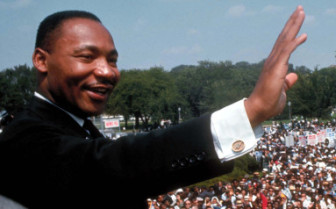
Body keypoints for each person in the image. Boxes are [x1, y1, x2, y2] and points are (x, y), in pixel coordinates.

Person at [0, 6, 307, 209]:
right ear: (41, 60)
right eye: (86, 57)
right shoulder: (21, 139)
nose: (107, 71)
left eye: (112, 60)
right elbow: (113, 166)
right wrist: (250, 111)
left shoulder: (78, 128)